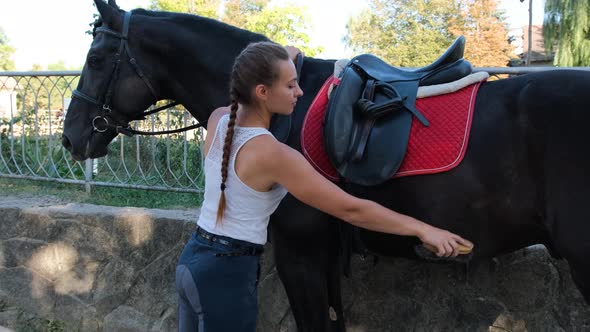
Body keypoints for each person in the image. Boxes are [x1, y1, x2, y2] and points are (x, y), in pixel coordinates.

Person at [175, 41, 473, 332]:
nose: (300, 91)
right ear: (262, 92)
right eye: (291, 85)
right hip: (226, 275)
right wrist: (423, 229)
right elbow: (351, 208)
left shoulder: (219, 119)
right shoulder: (273, 154)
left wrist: (288, 55)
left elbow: (255, 81)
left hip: (193, 261)